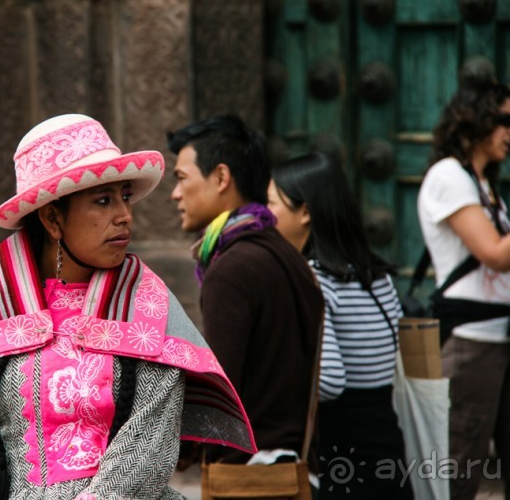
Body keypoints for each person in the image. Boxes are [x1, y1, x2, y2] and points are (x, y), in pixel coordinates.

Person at [0, 114, 256, 499]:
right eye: (103, 201)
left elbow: (149, 449)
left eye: (124, 197)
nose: (125, 215)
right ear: (53, 218)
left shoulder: (148, 306)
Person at [167, 114, 324, 470]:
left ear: (221, 177)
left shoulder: (232, 268)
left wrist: (178, 453)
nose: (175, 193)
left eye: (181, 178)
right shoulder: (283, 252)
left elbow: (218, 392)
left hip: (249, 471)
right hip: (295, 464)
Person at [268, 152, 413, 499]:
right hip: (387, 447)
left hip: (342, 460)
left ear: (304, 212)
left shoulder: (315, 278)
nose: (263, 214)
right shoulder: (377, 278)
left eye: (271, 203)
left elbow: (331, 380)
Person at [417, 80, 510, 500]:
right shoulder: (449, 176)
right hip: (470, 345)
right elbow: (493, 252)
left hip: (495, 339)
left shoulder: (483, 184)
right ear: (477, 119)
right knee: (458, 469)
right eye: (504, 120)